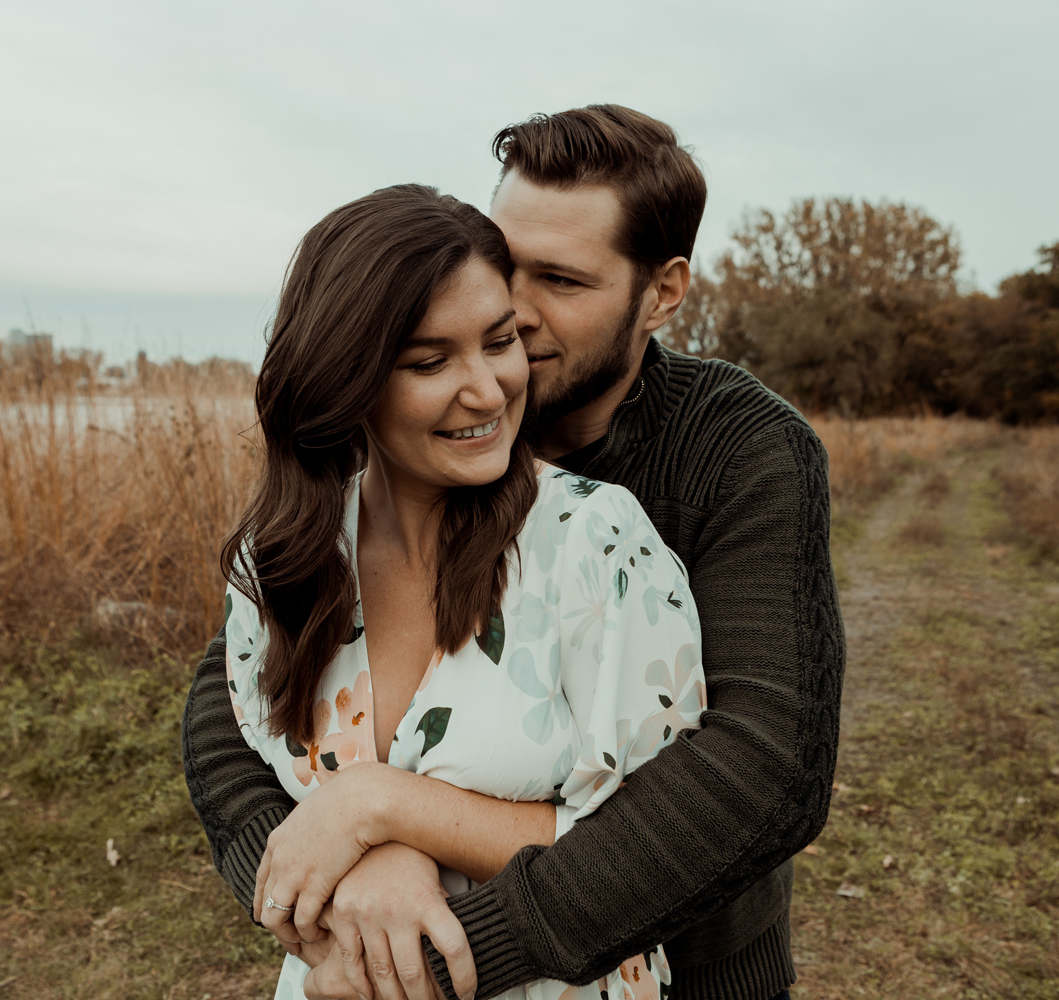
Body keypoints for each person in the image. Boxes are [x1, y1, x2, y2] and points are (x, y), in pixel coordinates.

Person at [185, 105, 845, 1000]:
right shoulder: (393, 460)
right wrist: (328, 885)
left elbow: (760, 768)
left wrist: (431, 936)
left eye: (562, 282)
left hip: (689, 960)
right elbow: (236, 697)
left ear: (662, 292)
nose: (514, 315)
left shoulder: (733, 454)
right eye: (506, 264)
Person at [218, 181, 708, 1000]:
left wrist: (382, 807)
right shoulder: (280, 564)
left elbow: (659, 853)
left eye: (500, 340)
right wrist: (349, 885)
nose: (486, 389)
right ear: (349, 378)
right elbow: (268, 807)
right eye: (429, 361)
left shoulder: (593, 542)